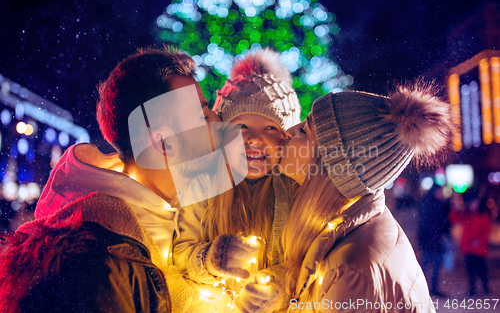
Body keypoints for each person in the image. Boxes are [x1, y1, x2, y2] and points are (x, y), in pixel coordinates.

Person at [0, 46, 221, 313]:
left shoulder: (176, 224)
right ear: (163, 143)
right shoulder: (97, 260)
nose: (218, 123)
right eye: (203, 116)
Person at [244, 82, 454, 312]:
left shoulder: (351, 271)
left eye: (304, 131)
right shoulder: (343, 232)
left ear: (330, 165)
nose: (290, 131)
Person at [173, 48, 301, 312]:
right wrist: (211, 259)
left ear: (287, 137)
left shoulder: (297, 192)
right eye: (241, 126)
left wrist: (274, 285)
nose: (254, 138)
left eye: (270, 128)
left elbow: (306, 258)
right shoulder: (203, 185)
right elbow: (181, 253)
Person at [450, 196, 492, 296]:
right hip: (468, 248)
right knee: (470, 271)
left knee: (482, 270)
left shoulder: (484, 215)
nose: (474, 205)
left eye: (476, 203)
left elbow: (486, 230)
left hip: (479, 248)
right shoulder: (466, 215)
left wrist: (478, 240)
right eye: (473, 203)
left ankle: (486, 289)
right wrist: (454, 207)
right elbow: (453, 218)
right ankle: (472, 290)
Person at [418, 183, 451, 297]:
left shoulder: (429, 204)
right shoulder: (435, 206)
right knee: (431, 266)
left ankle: (425, 289)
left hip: (431, 241)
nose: (442, 193)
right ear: (436, 192)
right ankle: (430, 289)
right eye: (440, 191)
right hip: (433, 241)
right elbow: (439, 224)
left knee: (427, 267)